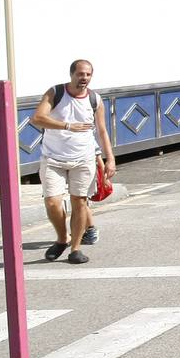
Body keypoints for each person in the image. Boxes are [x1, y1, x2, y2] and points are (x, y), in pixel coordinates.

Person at [30, 59, 114, 264]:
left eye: (87, 74)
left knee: (79, 202)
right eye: (80, 74)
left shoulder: (95, 99)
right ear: (71, 75)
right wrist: (66, 126)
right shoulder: (55, 93)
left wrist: (109, 158)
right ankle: (62, 238)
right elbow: (37, 118)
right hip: (53, 158)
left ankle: (75, 249)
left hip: (83, 159)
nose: (84, 78)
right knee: (52, 202)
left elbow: (102, 131)